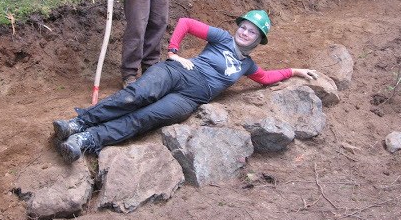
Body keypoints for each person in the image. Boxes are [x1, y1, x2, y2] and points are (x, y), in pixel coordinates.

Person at [52, 10, 319, 164]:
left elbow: (267, 77)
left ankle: (85, 140)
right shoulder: (222, 37)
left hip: (189, 99)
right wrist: (174, 52)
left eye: (252, 31)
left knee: (144, 118)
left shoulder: (247, 66)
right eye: (244, 27)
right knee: (138, 94)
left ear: (259, 40)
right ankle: (78, 123)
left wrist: (295, 70)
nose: (245, 32)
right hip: (178, 72)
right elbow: (186, 23)